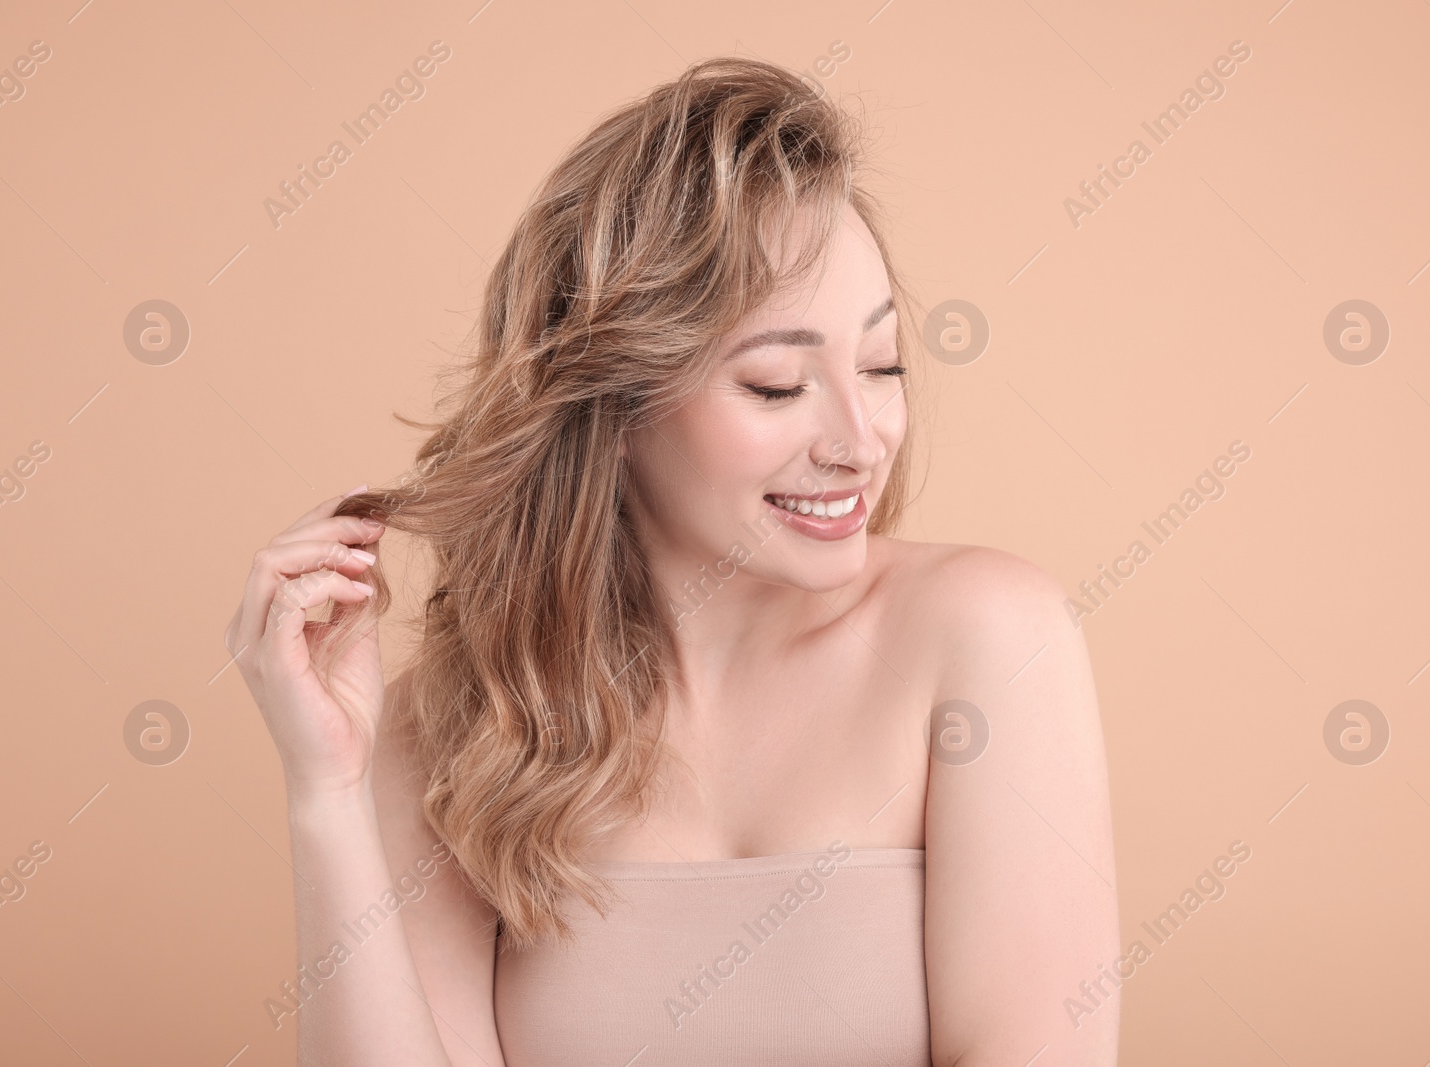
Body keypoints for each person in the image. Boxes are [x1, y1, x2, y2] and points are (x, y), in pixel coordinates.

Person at [225, 55, 1118, 1067]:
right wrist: (325, 789)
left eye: (880, 366)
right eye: (777, 384)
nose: (860, 438)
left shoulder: (984, 634)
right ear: (610, 410)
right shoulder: (455, 724)